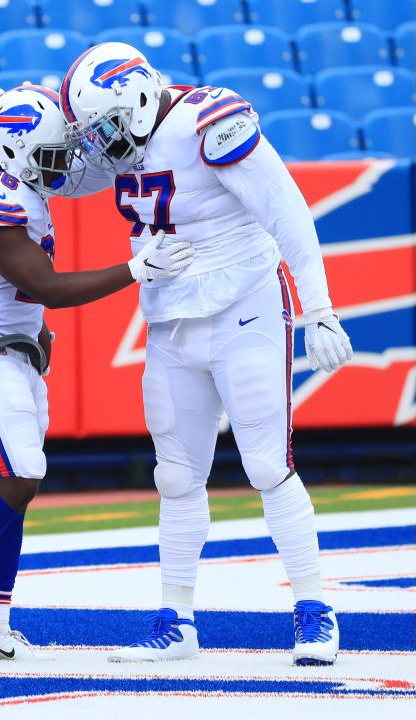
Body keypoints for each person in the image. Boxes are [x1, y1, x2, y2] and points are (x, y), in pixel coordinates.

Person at [61, 44, 355, 666]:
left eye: (108, 125)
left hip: (242, 303)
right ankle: (176, 622)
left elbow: (286, 211)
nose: (103, 142)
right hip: (169, 319)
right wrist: (19, 122)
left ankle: (314, 610)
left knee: (267, 464)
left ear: (140, 99)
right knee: (175, 475)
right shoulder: (119, 140)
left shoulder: (209, 121)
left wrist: (319, 308)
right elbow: (57, 171)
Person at [0, 84, 196, 664]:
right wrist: (136, 268)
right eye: (50, 152)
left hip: (12, 347)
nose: (61, 162)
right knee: (21, 473)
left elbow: (33, 277)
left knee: (9, 484)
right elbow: (47, 286)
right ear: (16, 149)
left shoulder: (19, 179)